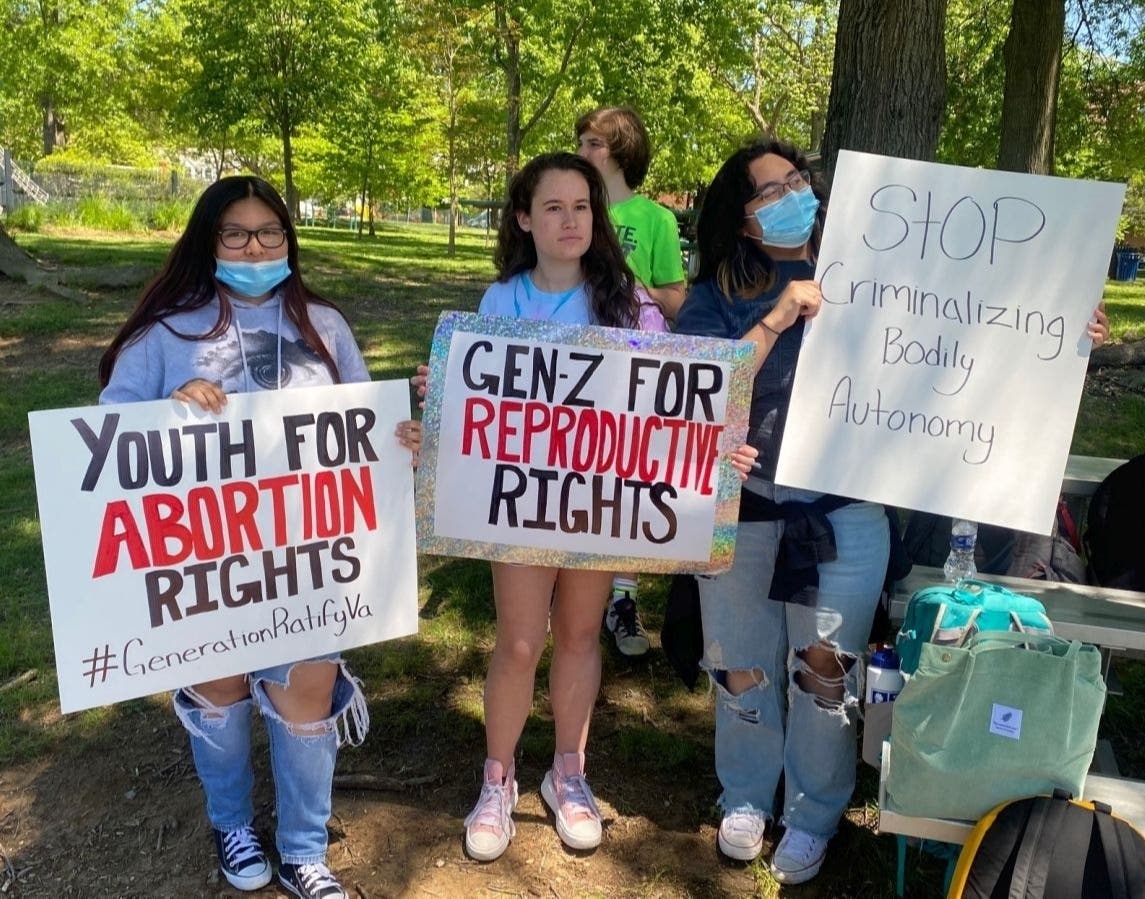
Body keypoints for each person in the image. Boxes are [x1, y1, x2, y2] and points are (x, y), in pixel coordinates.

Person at [673, 138, 1112, 886]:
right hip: (739, 510)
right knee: (739, 663)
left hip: (843, 515)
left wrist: (1061, 330)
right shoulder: (716, 292)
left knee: (824, 671)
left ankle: (814, 811)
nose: (793, 194)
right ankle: (746, 792)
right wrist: (777, 317)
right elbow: (694, 390)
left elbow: (973, 336)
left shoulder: (878, 272)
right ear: (742, 220)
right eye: (770, 190)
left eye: (798, 180)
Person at [98, 175, 422, 899]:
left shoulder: (324, 327)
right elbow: (107, 434)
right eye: (236, 233)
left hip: (307, 556)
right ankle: (232, 822)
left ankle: (305, 848)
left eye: (269, 232)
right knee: (220, 683)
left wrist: (397, 436)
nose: (254, 245)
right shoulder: (167, 330)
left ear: (289, 240)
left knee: (306, 682)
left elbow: (360, 421)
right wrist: (169, 409)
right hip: (204, 556)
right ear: (208, 241)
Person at [455, 151, 753, 863]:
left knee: (582, 636)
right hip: (522, 503)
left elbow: (671, 404)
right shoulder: (501, 302)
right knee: (521, 641)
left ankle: (569, 771)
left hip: (597, 501)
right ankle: (497, 779)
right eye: (553, 207)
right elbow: (480, 405)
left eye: (582, 207)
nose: (570, 220)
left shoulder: (632, 303)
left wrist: (718, 447)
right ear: (524, 219)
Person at [575, 105, 687, 659]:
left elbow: (676, 298)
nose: (582, 151)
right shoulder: (571, 211)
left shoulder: (656, 220)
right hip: (573, 373)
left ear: (621, 151)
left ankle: (621, 597)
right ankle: (572, 589)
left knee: (627, 478)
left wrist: (632, 288)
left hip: (631, 372)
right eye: (580, 141)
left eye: (593, 143)